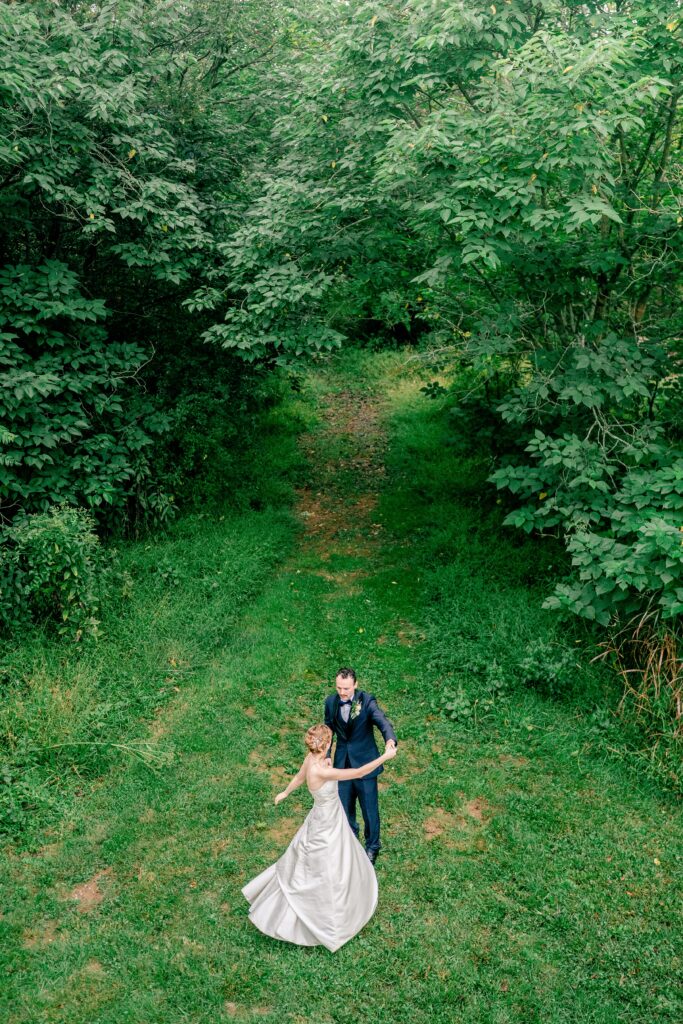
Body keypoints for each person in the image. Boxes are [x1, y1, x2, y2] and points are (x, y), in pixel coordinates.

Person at [241, 724, 397, 952]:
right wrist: (386, 756)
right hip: (327, 822)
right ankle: (329, 917)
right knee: (330, 862)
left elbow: (298, 776)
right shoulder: (322, 771)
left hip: (326, 815)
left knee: (333, 855)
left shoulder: (311, 760)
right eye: (330, 741)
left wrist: (285, 792)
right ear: (325, 745)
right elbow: (359, 773)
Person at [324, 668, 397, 864]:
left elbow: (382, 721)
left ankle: (372, 847)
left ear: (355, 685)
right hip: (342, 766)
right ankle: (351, 843)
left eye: (346, 688)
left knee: (369, 810)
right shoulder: (331, 702)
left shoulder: (367, 701)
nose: (342, 692)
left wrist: (389, 740)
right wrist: (327, 754)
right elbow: (328, 730)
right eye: (339, 687)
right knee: (345, 809)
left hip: (366, 765)